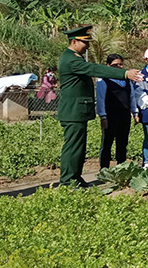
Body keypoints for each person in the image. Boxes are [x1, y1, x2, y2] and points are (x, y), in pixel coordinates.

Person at [57, 25, 142, 186]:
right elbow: (94, 68)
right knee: (73, 147)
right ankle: (68, 180)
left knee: (79, 147)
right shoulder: (71, 60)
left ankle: (76, 177)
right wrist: (124, 73)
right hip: (73, 111)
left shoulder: (74, 57)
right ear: (74, 41)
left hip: (77, 112)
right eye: (85, 42)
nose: (88, 46)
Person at [96, 54, 133, 170]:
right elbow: (100, 99)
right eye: (115, 65)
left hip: (124, 115)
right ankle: (104, 169)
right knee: (107, 143)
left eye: (120, 64)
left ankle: (121, 168)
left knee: (122, 143)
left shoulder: (126, 81)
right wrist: (103, 116)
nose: (118, 67)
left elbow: (132, 97)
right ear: (108, 65)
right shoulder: (103, 80)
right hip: (110, 116)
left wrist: (135, 112)